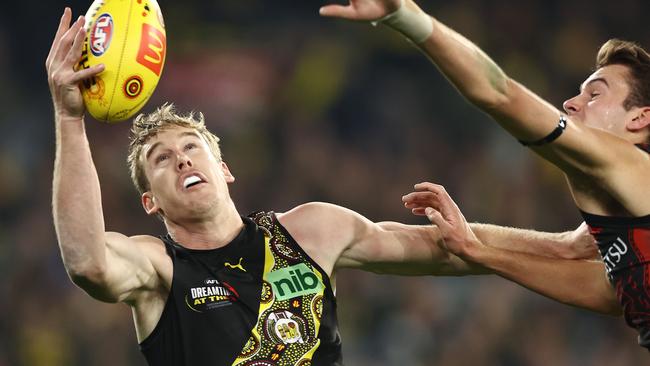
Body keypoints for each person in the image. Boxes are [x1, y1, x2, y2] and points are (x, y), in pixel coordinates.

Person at [48, 7, 605, 366]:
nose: (182, 160)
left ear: (226, 168)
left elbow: (448, 246)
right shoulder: (158, 270)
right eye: (161, 160)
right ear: (150, 201)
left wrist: (562, 245)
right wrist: (69, 120)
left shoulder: (311, 230)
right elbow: (87, 261)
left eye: (193, 147)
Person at [320, 0, 650, 349]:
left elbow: (499, 93)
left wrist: (407, 18)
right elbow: (580, 270)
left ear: (640, 118)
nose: (571, 103)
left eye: (595, 93)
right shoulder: (625, 244)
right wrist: (474, 250)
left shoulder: (634, 167)